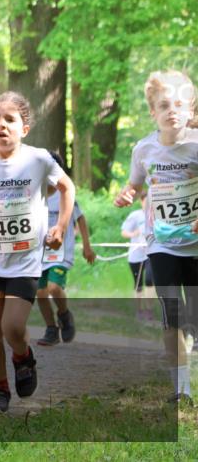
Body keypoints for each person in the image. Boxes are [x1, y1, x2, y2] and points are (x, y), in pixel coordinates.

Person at [0, 92, 74, 413]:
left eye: (10, 120)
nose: (2, 125)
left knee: (13, 327)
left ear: (25, 128)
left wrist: (60, 226)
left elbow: (67, 188)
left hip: (25, 260)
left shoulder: (38, 160)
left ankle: (23, 357)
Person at [115, 70, 198, 404]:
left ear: (191, 110)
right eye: (164, 105)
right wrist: (126, 193)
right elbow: (135, 185)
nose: (172, 111)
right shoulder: (144, 149)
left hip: (195, 244)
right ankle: (182, 389)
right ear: (153, 112)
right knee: (171, 314)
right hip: (161, 242)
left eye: (179, 104)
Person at [36, 150, 96, 346]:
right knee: (41, 293)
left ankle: (64, 314)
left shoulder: (65, 193)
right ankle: (51, 329)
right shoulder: (35, 194)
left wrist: (87, 246)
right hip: (39, 252)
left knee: (54, 287)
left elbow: (80, 218)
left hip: (61, 251)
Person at [122, 188, 156, 320]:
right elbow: (124, 232)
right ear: (141, 201)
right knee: (138, 284)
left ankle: (149, 310)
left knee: (149, 280)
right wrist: (133, 234)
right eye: (146, 201)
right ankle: (139, 310)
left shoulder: (156, 215)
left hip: (150, 254)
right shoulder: (135, 216)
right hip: (135, 255)